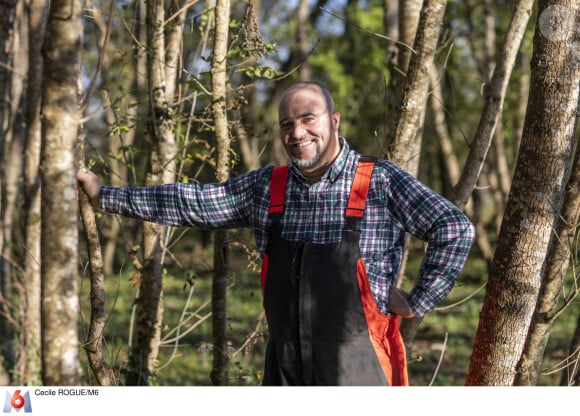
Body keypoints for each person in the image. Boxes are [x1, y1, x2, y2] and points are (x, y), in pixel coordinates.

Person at [77, 81, 475, 386]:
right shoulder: (269, 187)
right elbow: (192, 202)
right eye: (287, 124)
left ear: (334, 120)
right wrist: (105, 196)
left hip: (360, 370)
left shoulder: (379, 182)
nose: (297, 132)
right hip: (285, 368)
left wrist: (420, 300)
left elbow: (453, 228)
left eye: (309, 119)